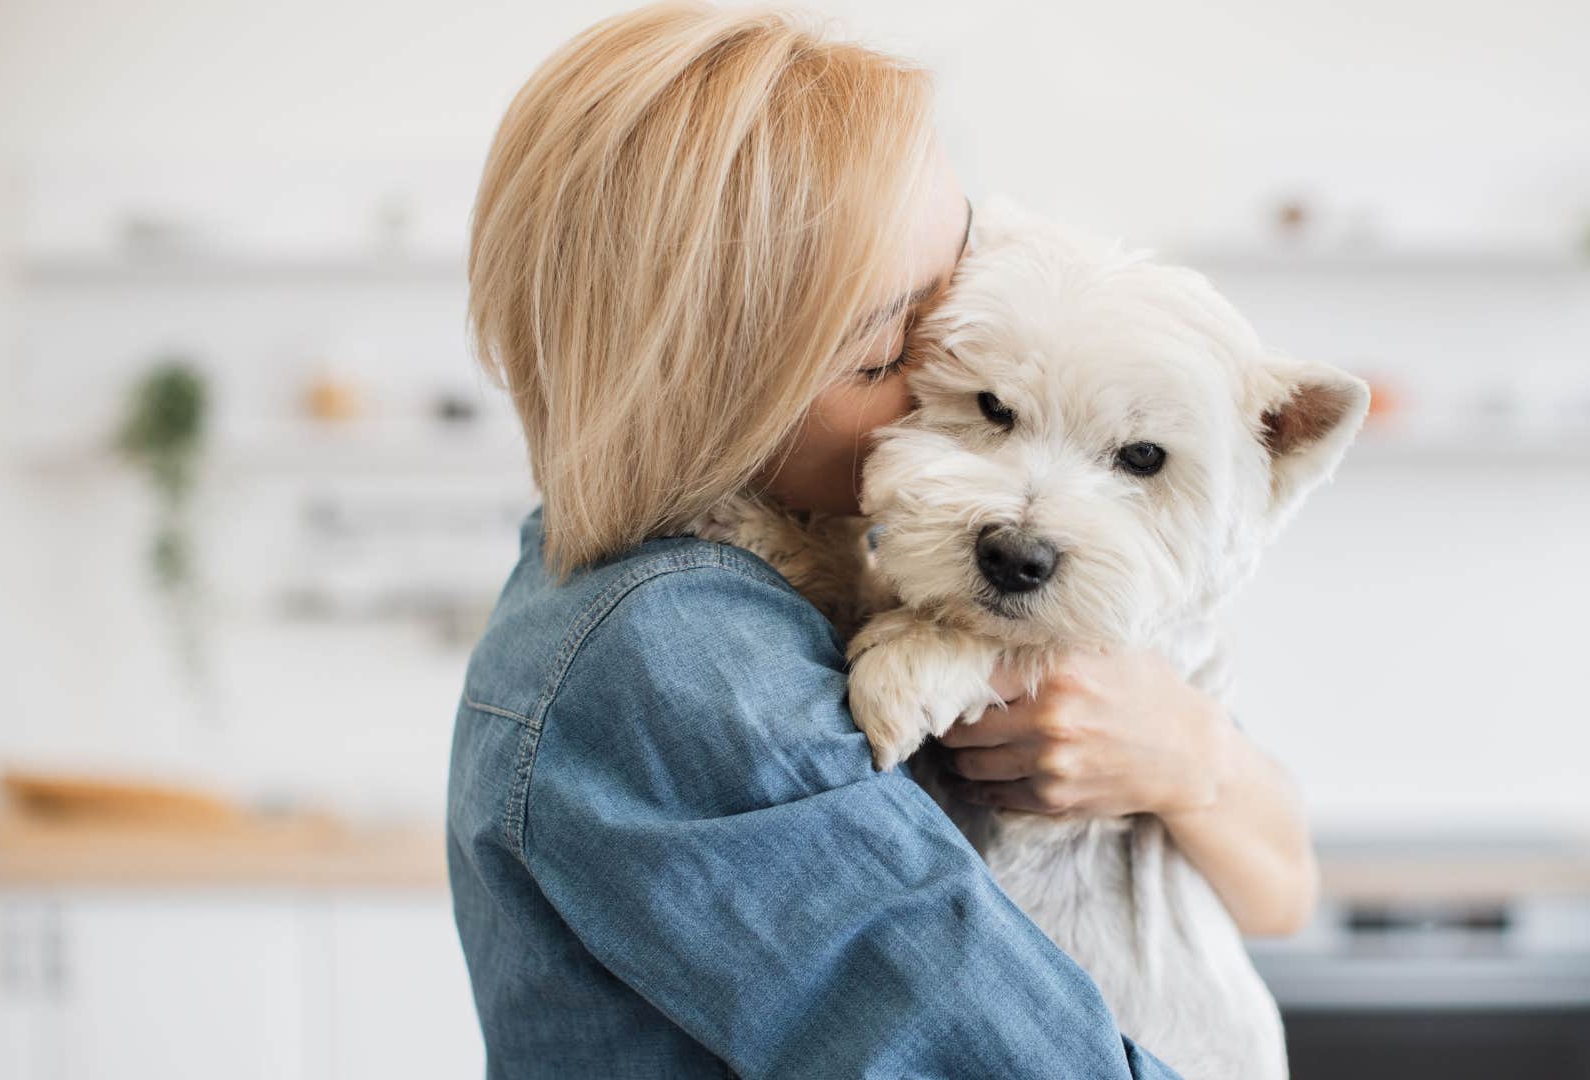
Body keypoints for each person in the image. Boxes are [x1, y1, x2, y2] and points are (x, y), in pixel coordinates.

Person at [447, 4, 1316, 1076]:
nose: (940, 392)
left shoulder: (758, 574)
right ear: (711, 392)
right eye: (891, 353)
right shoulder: (676, 647)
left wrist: (1193, 754)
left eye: (958, 294)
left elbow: (1284, 891)